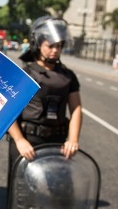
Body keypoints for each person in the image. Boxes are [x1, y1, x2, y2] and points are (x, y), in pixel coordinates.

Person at [7, 16, 81, 170]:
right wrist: (19, 140)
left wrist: (72, 140)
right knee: (21, 191)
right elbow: (7, 110)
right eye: (50, 46)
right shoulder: (25, 74)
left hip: (57, 142)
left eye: (59, 46)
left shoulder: (68, 76)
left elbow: (76, 109)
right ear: (37, 44)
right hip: (28, 142)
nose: (55, 50)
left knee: (61, 188)